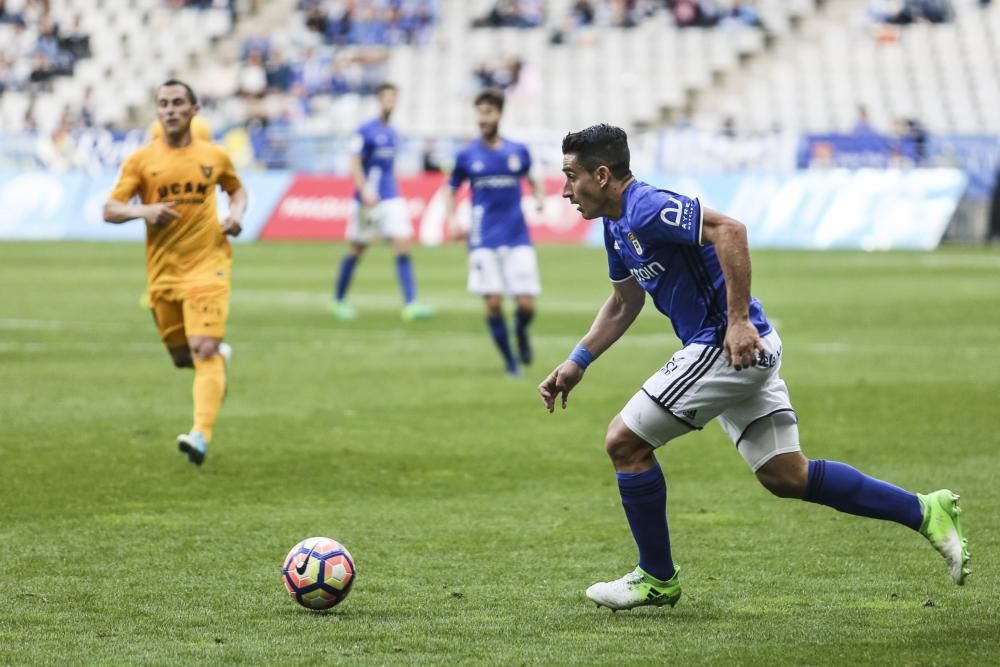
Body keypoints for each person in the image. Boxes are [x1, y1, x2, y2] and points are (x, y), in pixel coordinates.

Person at [538, 124, 970, 611]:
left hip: (726, 347)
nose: (565, 189)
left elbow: (730, 230)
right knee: (786, 475)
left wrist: (738, 321)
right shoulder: (616, 225)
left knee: (624, 441)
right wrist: (578, 361)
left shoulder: (646, 206)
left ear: (601, 174)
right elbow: (623, 301)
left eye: (570, 176)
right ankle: (925, 510)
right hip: (743, 350)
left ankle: (656, 577)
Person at [104, 80, 247, 467]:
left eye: (178, 103)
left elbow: (236, 189)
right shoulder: (140, 161)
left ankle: (200, 434)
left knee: (202, 348)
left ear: (194, 110)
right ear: (157, 111)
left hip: (208, 266)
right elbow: (110, 209)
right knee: (183, 357)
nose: (170, 109)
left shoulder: (214, 156)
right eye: (163, 103)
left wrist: (236, 214)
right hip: (164, 274)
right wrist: (143, 211)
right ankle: (218, 361)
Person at [445, 89, 544, 377]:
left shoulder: (517, 151)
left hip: (517, 235)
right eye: (479, 113)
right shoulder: (466, 154)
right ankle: (510, 361)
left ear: (500, 114)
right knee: (493, 302)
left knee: (526, 304)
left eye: (488, 112)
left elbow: (532, 177)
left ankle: (521, 332)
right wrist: (452, 220)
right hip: (482, 237)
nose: (482, 119)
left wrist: (538, 197)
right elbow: (450, 189)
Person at [330, 82, 434, 321]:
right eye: (386, 97)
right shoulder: (365, 130)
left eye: (393, 98)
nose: (390, 102)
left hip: (390, 196)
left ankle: (411, 304)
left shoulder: (393, 133)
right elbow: (354, 161)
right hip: (367, 199)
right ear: (378, 100)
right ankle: (338, 300)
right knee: (357, 249)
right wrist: (364, 189)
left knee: (403, 245)